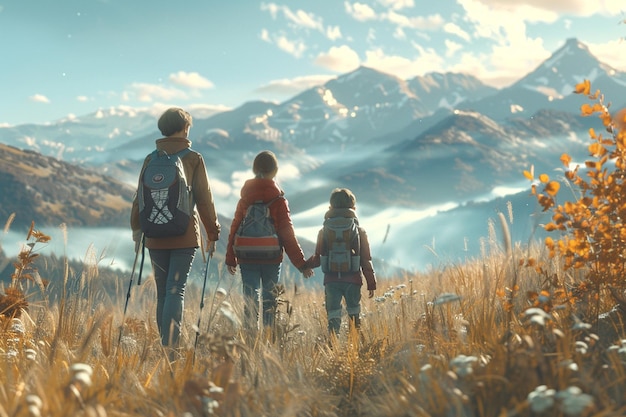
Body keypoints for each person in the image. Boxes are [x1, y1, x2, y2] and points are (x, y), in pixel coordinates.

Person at [130, 107, 220, 348]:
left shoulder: (151, 158)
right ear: (184, 128)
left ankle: (164, 345)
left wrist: (137, 230)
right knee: (175, 291)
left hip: (154, 234)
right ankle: (173, 346)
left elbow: (139, 197)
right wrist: (212, 232)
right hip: (184, 235)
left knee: (163, 293)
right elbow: (204, 198)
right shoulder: (193, 158)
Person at [225, 150, 313, 334]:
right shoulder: (279, 200)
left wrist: (230, 257)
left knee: (250, 296)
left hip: (246, 256)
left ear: (254, 169)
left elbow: (235, 227)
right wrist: (301, 264)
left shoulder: (244, 199)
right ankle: (268, 337)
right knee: (270, 299)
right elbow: (287, 234)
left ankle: (249, 336)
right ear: (275, 171)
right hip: (271, 257)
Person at [305, 188, 376, 336]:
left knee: (333, 314)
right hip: (353, 279)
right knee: (354, 313)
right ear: (354, 208)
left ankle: (333, 345)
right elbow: (365, 259)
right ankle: (354, 347)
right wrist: (371, 282)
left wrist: (304, 265)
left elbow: (318, 257)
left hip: (331, 280)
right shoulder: (359, 231)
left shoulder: (324, 230)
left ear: (330, 208)